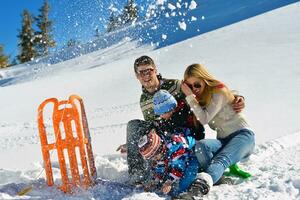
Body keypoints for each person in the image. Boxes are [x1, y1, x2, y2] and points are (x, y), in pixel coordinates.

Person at [116, 55, 245, 184]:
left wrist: (235, 97)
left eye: (149, 70)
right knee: (133, 125)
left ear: (155, 70)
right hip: (166, 136)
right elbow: (152, 127)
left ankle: (188, 166)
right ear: (137, 76)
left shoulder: (175, 85)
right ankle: (137, 175)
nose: (146, 75)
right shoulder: (144, 100)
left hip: (186, 134)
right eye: (141, 72)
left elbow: (203, 91)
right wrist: (133, 143)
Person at [180, 63, 255, 195]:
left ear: (205, 80)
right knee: (201, 146)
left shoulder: (218, 91)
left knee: (221, 160)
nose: (194, 89)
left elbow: (204, 119)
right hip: (224, 140)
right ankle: (217, 177)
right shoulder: (201, 98)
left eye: (197, 84)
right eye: (190, 86)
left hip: (243, 136)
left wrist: (190, 96)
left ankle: (200, 186)